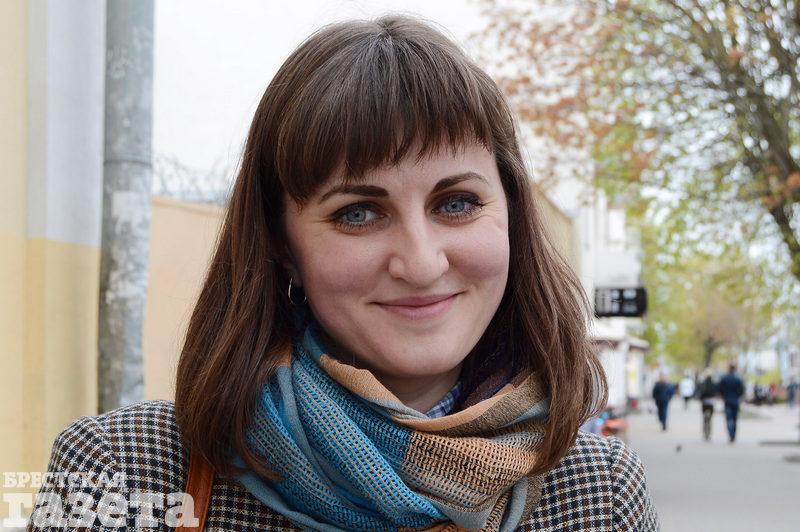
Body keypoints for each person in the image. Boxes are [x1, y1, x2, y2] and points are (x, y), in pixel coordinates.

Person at [31, 16, 659, 531]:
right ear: (281, 244)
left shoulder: (598, 494)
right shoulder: (120, 473)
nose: (421, 263)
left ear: (512, 216)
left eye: (456, 203)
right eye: (358, 212)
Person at [717, 363, 745, 443]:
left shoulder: (724, 378)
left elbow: (719, 389)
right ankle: (733, 435)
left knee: (729, 419)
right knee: (734, 419)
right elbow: (741, 391)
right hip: (735, 401)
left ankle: (730, 434)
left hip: (727, 401)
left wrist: (723, 396)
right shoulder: (738, 379)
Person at [696, 369, 717, 441]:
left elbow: (699, 392)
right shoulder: (714, 383)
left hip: (704, 402)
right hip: (711, 402)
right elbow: (716, 392)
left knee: (705, 418)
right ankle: (709, 433)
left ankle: (705, 432)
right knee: (710, 419)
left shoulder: (703, 383)